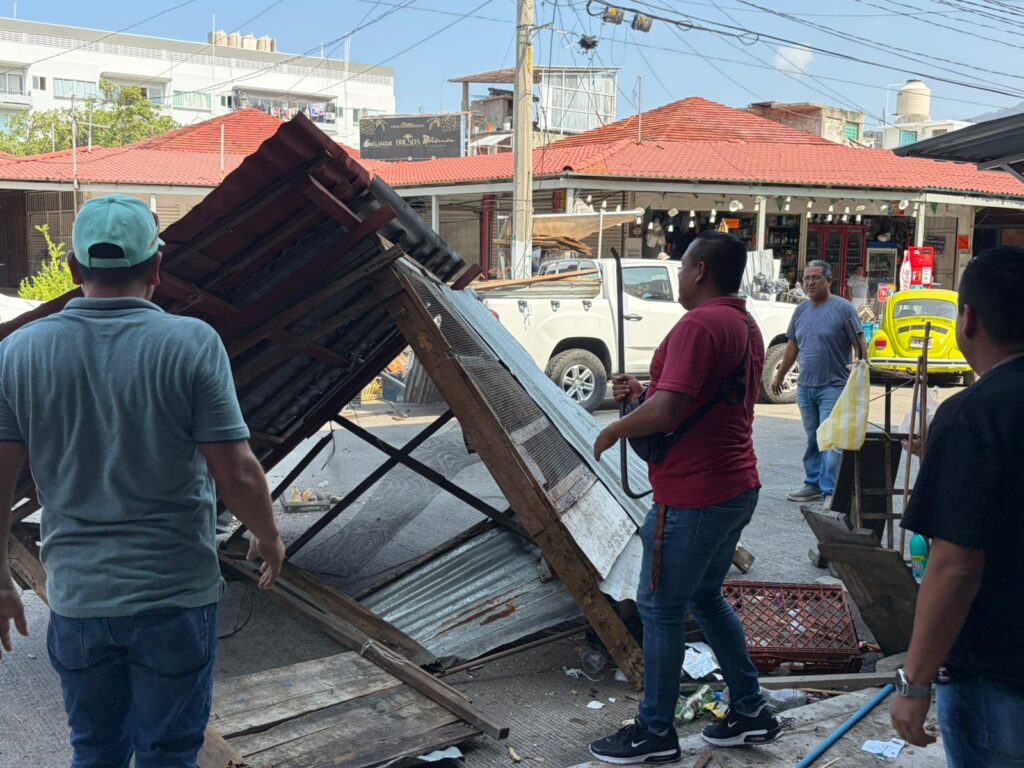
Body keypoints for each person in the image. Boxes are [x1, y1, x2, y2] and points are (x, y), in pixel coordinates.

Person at [0, 195, 286, 768]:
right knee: (168, 754)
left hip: (80, 599)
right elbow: (236, 471)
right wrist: (269, 536)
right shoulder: (191, 343)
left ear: (75, 270)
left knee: (95, 751)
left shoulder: (19, 351)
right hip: (174, 596)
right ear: (156, 267)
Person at [589, 231, 779, 763]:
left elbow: (671, 411)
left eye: (682, 266)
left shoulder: (700, 324)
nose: (678, 275)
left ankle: (654, 731)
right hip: (734, 485)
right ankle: (750, 709)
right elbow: (693, 398)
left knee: (659, 607)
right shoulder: (742, 323)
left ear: (700, 271)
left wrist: (616, 427)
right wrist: (642, 396)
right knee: (704, 597)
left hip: (695, 494)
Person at [890, 247, 1024, 767]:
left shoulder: (974, 414)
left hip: (999, 679)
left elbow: (955, 567)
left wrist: (914, 681)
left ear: (967, 320)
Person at [773, 260, 867, 506]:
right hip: (806, 387)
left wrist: (861, 367)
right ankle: (812, 484)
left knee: (831, 440)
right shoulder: (801, 311)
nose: (810, 283)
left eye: (816, 278)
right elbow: (792, 345)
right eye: (806, 278)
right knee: (813, 438)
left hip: (833, 386)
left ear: (829, 281)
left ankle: (830, 492)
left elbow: (860, 342)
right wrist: (780, 375)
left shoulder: (844, 309)